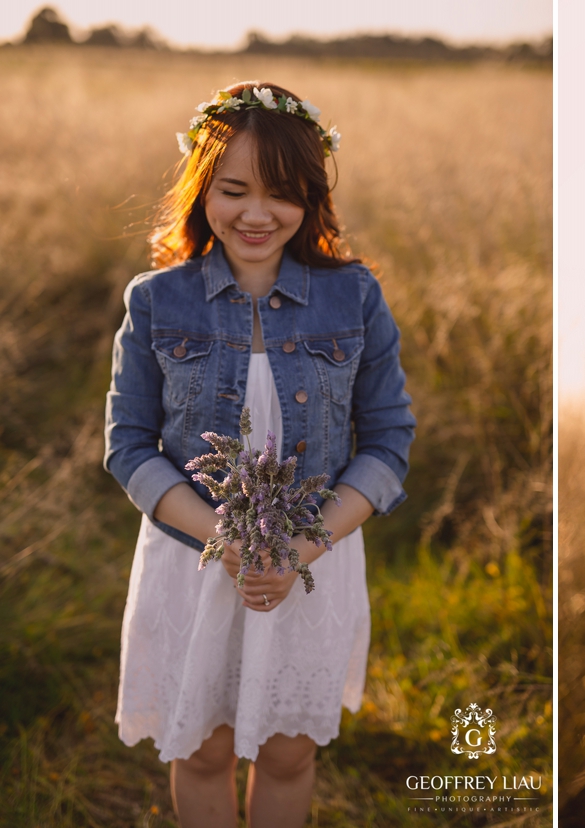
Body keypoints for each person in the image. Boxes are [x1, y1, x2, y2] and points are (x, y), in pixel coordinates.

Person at [105, 81, 414, 828]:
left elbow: (388, 442)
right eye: (234, 189)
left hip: (315, 556)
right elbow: (128, 448)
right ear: (202, 188)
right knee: (203, 751)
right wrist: (227, 542)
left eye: (280, 193)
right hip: (195, 559)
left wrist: (300, 547)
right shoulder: (156, 300)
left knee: (286, 754)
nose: (255, 213)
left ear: (310, 199)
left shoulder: (355, 297)